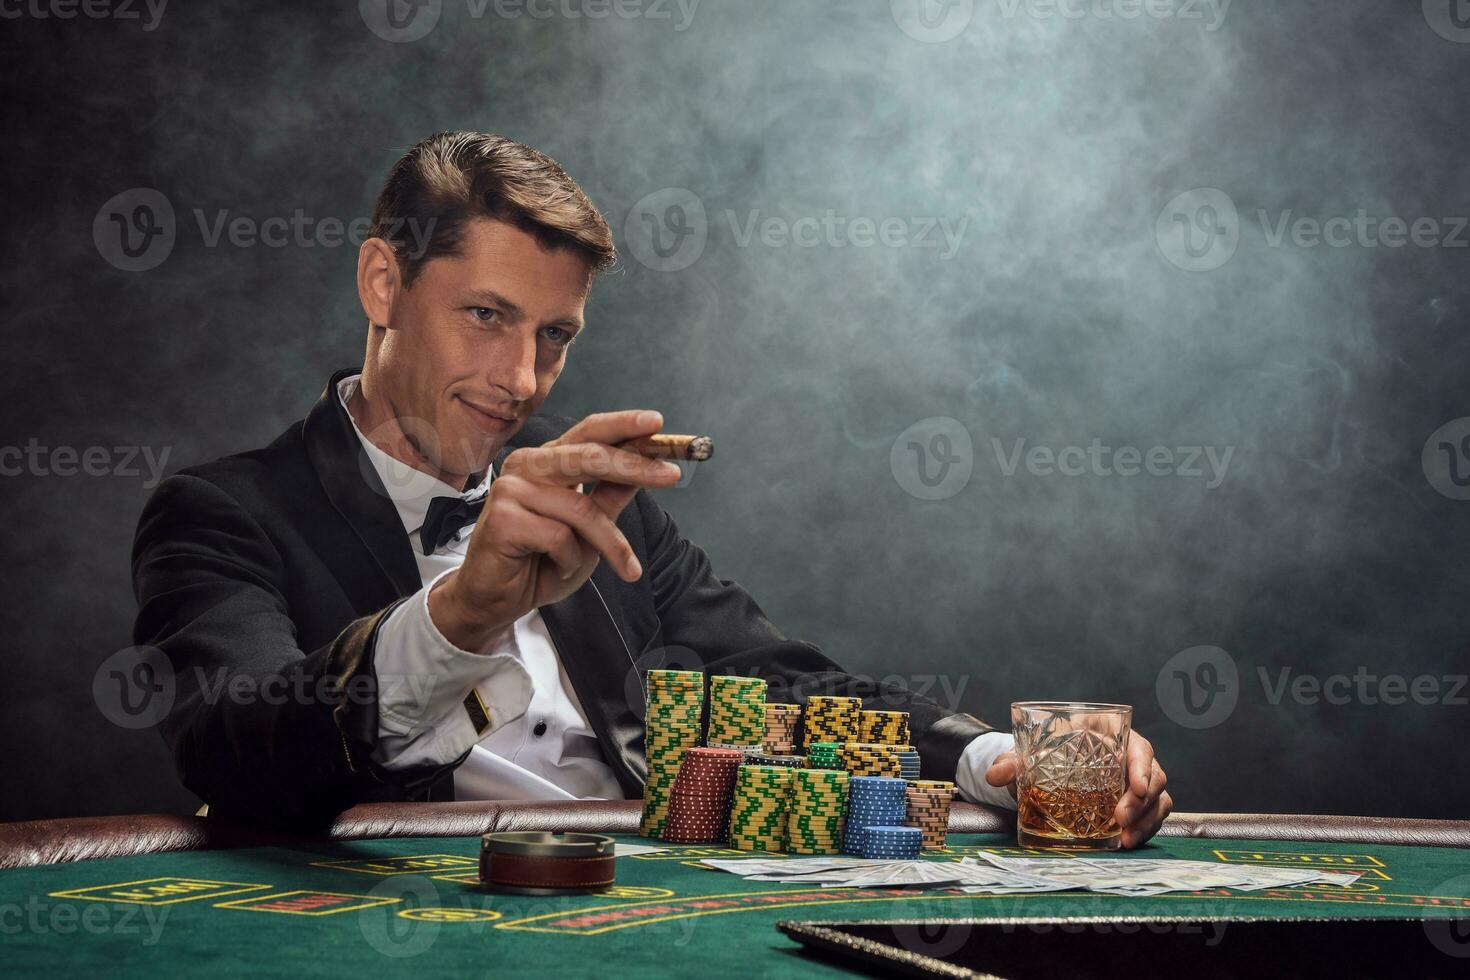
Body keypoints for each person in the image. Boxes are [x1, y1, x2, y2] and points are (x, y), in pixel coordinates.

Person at [132, 132, 1171, 842]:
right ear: (382, 283)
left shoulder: (604, 502)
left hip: (656, 897)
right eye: (486, 316)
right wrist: (465, 611)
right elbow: (241, 754)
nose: (523, 380)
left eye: (556, 337)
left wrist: (995, 755)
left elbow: (789, 688)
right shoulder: (223, 513)